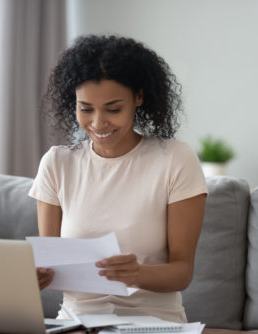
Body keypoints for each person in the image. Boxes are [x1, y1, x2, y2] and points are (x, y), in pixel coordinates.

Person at [29, 34, 207, 323]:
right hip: (76, 323)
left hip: (154, 323)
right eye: (85, 109)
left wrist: (139, 274)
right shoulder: (57, 164)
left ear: (138, 97)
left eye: (113, 109)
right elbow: (49, 263)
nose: (98, 123)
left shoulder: (175, 159)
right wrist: (35, 276)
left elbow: (182, 272)